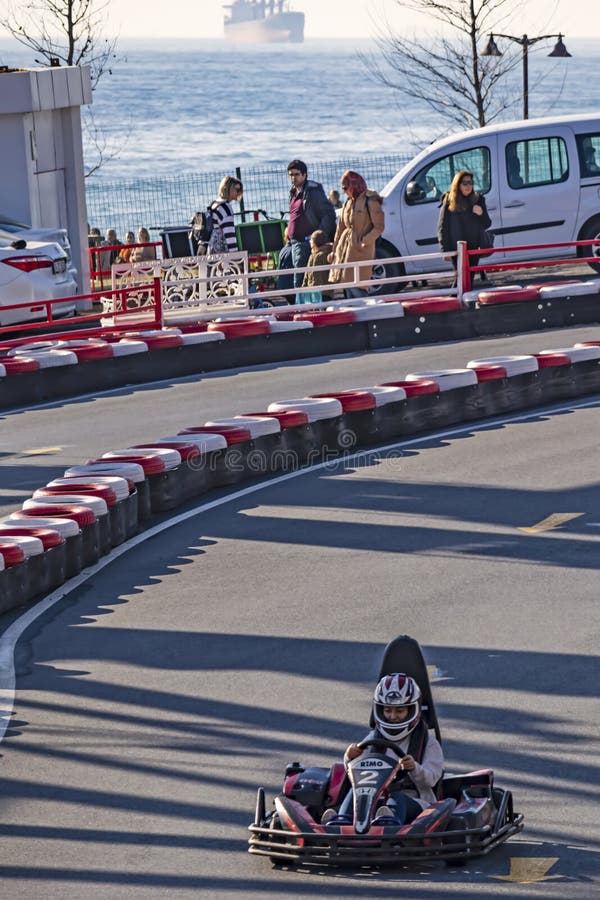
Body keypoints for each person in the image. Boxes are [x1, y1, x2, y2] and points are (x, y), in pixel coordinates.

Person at [324, 673, 444, 826]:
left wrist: (414, 768)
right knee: (355, 792)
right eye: (388, 710)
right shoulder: (372, 739)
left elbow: (432, 780)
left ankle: (389, 825)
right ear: (380, 710)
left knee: (397, 798)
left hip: (416, 801)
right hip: (375, 799)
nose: (393, 716)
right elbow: (357, 775)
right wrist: (350, 758)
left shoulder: (429, 743)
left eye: (399, 711)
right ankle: (342, 822)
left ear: (412, 710)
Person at [277, 159, 336, 301]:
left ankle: (302, 309)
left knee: (301, 280)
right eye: (290, 175)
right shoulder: (293, 192)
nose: (293, 178)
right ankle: (298, 306)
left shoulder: (312, 192)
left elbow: (328, 213)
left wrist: (317, 236)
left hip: (305, 242)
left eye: (296, 174)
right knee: (286, 279)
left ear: (304, 175)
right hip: (292, 242)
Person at [327, 170, 385, 299]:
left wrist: (364, 241)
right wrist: (334, 251)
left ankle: (366, 315)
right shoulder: (348, 202)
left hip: (360, 251)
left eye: (346, 187)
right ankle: (355, 316)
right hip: (345, 249)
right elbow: (340, 229)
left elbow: (379, 227)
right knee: (346, 284)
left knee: (358, 286)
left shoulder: (370, 201)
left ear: (353, 185)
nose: (344, 191)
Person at [437, 170, 492, 284]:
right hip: (456, 248)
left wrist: (481, 213)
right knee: (461, 280)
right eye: (465, 183)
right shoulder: (449, 201)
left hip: (473, 248)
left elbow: (487, 224)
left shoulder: (477, 199)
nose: (468, 186)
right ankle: (453, 300)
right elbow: (442, 227)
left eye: (471, 183)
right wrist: (445, 250)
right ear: (457, 185)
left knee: (468, 280)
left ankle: (457, 300)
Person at [206, 175, 244, 255]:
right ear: (227, 188)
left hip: (212, 248)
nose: (239, 192)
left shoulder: (215, 203)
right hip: (222, 253)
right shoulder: (226, 207)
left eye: (240, 190)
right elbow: (229, 234)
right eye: (237, 189)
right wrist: (235, 255)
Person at [298, 229, 332, 304]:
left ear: (314, 243)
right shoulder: (329, 253)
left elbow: (309, 274)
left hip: (316, 292)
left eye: (311, 240)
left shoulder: (315, 256)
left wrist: (304, 288)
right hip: (327, 291)